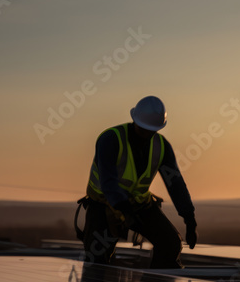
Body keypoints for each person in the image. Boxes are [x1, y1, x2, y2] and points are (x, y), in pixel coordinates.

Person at [78, 95, 197, 268]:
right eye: (143, 129)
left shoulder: (161, 147)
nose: (147, 134)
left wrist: (189, 218)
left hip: (139, 205)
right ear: (135, 122)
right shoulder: (111, 139)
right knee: (97, 259)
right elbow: (108, 182)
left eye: (152, 130)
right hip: (104, 206)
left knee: (170, 245)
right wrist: (125, 212)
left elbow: (176, 184)